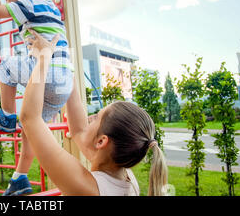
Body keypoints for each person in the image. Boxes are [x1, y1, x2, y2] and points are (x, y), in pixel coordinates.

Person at [19, 31, 169, 196]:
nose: (90, 118)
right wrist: (67, 70)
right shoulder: (125, 177)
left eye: (97, 117)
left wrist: (44, 58)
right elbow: (78, 130)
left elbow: (30, 118)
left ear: (102, 141)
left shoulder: (86, 188)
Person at [0, 0, 74, 196]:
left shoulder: (27, 3)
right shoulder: (51, 8)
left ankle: (7, 116)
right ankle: (19, 178)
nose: (8, 3)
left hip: (47, 72)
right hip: (65, 83)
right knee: (33, 127)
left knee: (6, 66)